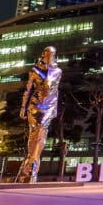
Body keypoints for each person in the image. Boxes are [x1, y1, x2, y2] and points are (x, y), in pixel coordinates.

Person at [15, 46, 63, 183]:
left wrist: (55, 109)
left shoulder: (58, 71)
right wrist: (23, 107)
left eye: (52, 53)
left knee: (41, 134)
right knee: (33, 135)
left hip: (49, 107)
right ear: (43, 54)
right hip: (35, 106)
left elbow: (53, 88)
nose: (49, 55)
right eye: (47, 53)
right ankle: (29, 166)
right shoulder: (34, 70)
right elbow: (28, 90)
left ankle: (31, 166)